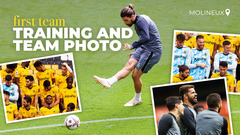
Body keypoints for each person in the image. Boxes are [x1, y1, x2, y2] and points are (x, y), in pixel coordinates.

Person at [93, 4, 162, 106]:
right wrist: (138, 51)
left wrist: (132, 46)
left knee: (135, 75)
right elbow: (145, 38)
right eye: (124, 20)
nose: (125, 23)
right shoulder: (136, 17)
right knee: (129, 64)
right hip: (144, 47)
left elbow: (146, 37)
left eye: (126, 20)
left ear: (132, 17)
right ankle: (109, 82)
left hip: (153, 51)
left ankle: (137, 99)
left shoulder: (141, 22)